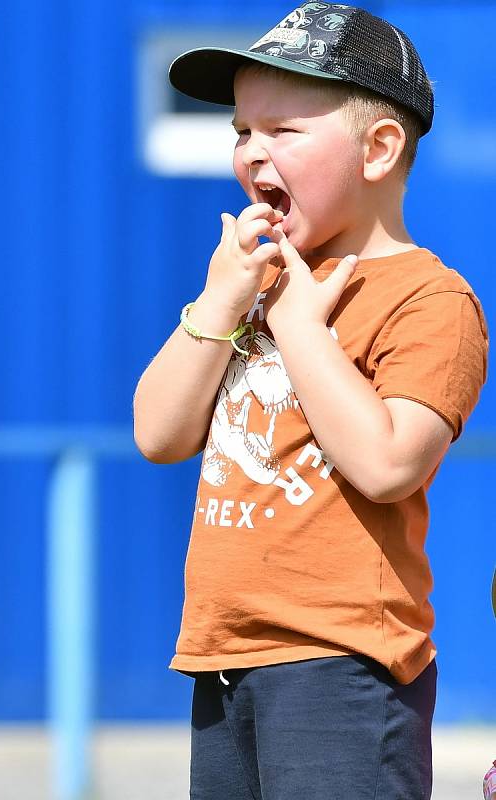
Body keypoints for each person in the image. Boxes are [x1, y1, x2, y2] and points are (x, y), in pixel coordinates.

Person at [133, 3, 488, 798]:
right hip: (224, 658)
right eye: (240, 132)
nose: (253, 153)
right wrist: (221, 301)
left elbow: (388, 462)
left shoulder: (431, 299)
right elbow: (158, 434)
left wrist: (298, 325)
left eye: (284, 132)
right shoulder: (252, 287)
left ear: (380, 148)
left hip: (343, 665)